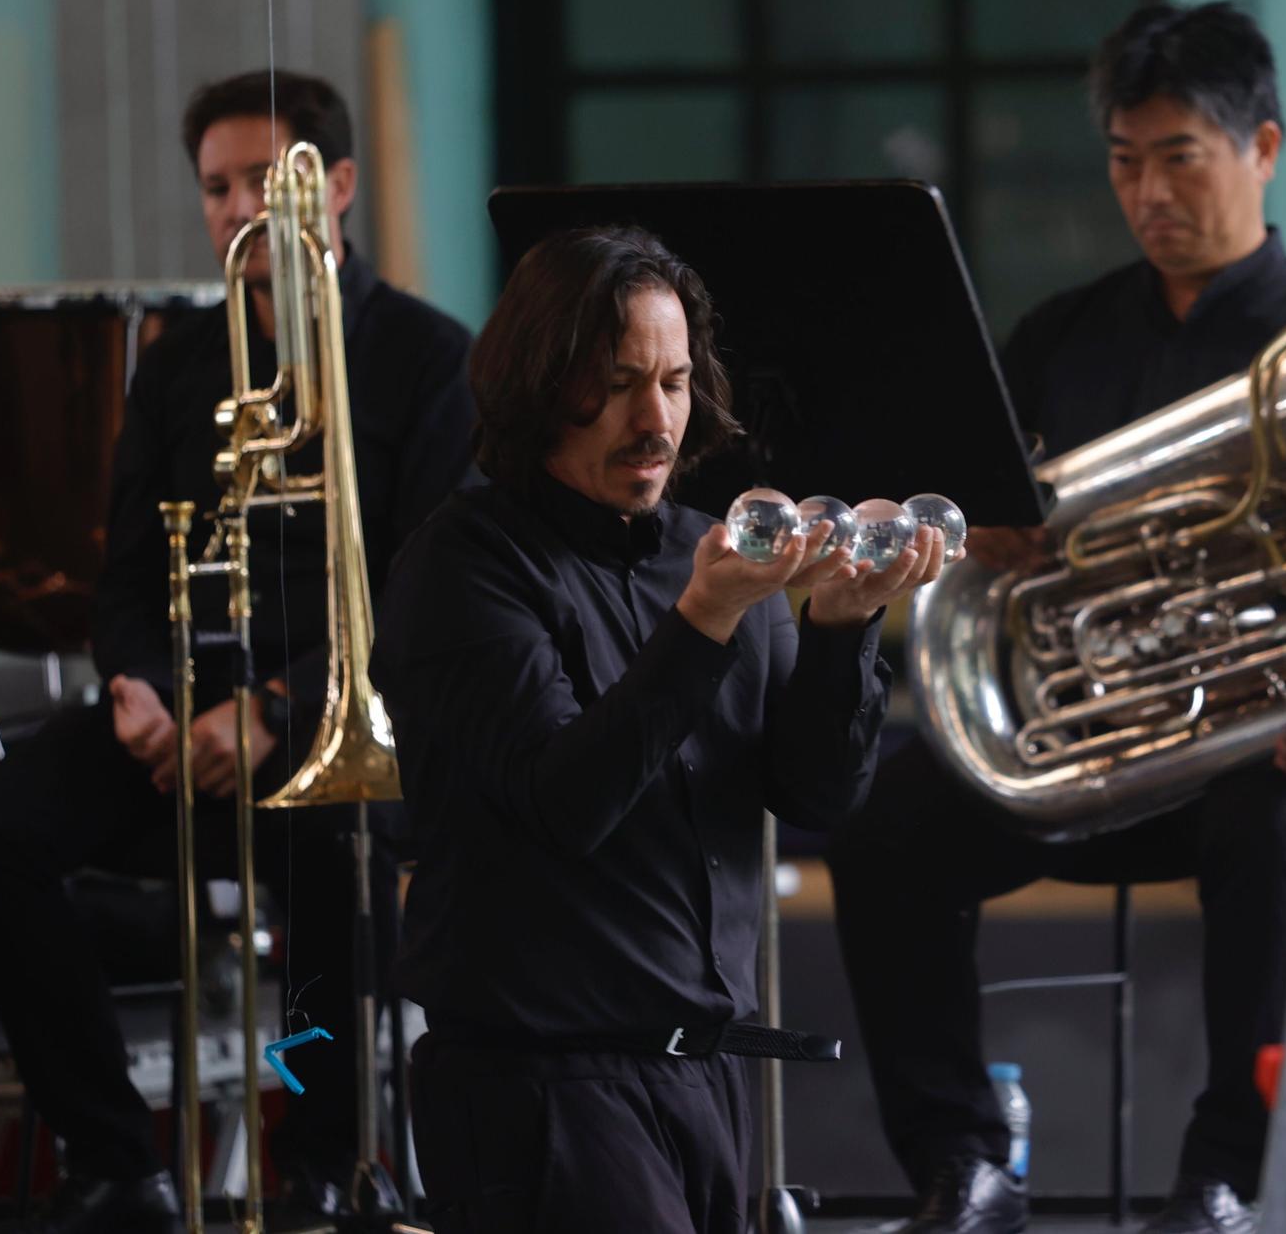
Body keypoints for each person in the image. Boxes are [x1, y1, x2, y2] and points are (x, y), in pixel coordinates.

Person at [826, 1, 1286, 1234]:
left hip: (1252, 764)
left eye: (1179, 156)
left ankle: (1228, 1171)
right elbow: (973, 533)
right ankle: (959, 1162)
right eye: (1124, 162)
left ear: (1263, 149)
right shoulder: (1056, 337)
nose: (1147, 192)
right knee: (879, 828)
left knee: (1272, 820)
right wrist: (984, 529)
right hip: (1078, 750)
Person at [0, 69, 476, 1234]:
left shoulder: (432, 360)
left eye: (258, 182)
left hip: (339, 717)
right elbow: (126, 573)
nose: (235, 209)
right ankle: (114, 1154)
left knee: (327, 859)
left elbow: (428, 602)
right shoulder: (180, 363)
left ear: (332, 185)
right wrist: (136, 690)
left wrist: (279, 708)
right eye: (215, 188)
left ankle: (319, 1156)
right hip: (187, 710)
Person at [372, 223, 952, 1233]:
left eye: (676, 381)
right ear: (540, 382)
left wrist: (839, 630)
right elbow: (568, 803)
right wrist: (705, 620)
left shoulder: (705, 550)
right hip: (539, 1087)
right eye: (619, 381)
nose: (657, 420)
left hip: (706, 1084)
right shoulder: (463, 565)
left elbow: (814, 794)